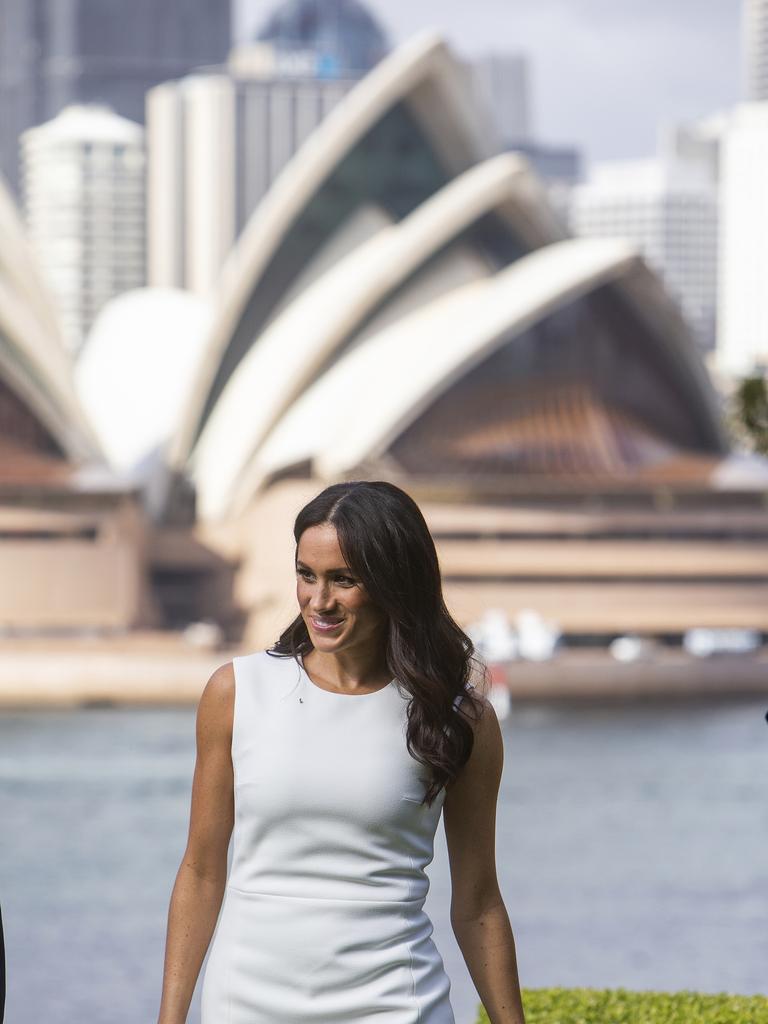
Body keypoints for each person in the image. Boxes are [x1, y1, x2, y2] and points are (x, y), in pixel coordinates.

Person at [156, 480, 526, 1024]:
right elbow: (201, 871)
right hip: (247, 1002)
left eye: (343, 580)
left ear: (392, 584)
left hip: (397, 1005)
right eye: (306, 575)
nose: (318, 601)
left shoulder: (455, 718)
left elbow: (477, 901)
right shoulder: (237, 692)